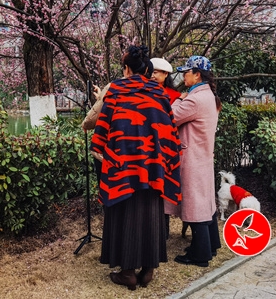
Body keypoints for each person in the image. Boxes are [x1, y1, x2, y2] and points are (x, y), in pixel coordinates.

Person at [90, 45, 182, 290]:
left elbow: (103, 127)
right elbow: (170, 131)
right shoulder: (159, 92)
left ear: (127, 68)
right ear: (147, 69)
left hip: (123, 167)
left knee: (123, 210)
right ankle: (148, 270)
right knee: (152, 212)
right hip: (153, 168)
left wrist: (100, 146)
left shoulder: (117, 90)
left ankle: (128, 272)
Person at [167, 55, 222, 268]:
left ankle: (200, 254)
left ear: (197, 75)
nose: (183, 76)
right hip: (203, 156)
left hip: (192, 158)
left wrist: (179, 99)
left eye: (186, 72)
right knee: (205, 203)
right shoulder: (208, 96)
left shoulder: (193, 100)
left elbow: (170, 117)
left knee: (195, 204)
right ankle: (211, 245)